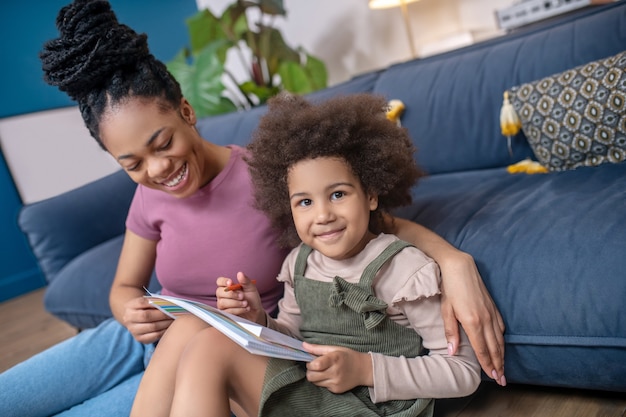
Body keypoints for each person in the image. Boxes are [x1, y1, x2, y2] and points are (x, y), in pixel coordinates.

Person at [0, 1, 504, 416]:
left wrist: (453, 262)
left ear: (187, 112)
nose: (156, 171)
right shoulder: (148, 195)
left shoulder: (271, 177)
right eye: (132, 163)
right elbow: (124, 287)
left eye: (162, 144)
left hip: (232, 347)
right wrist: (128, 312)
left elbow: (371, 224)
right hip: (145, 340)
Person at [130, 93, 482, 417]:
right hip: (314, 398)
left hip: (372, 407)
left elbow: (464, 372)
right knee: (207, 344)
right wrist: (259, 319)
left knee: (210, 349)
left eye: (339, 194)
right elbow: (293, 337)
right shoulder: (299, 263)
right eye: (305, 202)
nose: (323, 215)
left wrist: (365, 369)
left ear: (371, 194)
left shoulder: (404, 271)